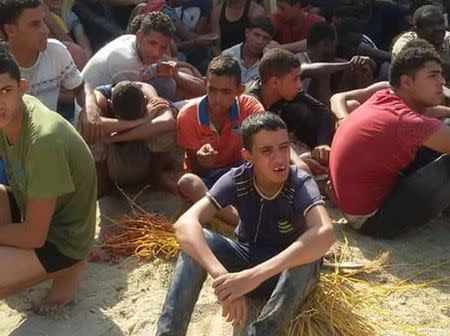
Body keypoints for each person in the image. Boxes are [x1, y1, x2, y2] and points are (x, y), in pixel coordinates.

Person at [156, 111, 335, 335]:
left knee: (307, 258)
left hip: (285, 273)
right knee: (196, 244)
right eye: (267, 151)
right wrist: (222, 277)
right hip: (245, 260)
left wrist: (254, 276)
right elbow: (185, 224)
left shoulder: (299, 183)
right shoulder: (238, 179)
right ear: (248, 156)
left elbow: (326, 233)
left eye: (284, 147)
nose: (279, 159)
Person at [0, 44, 96, 307]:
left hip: (64, 237)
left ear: (22, 87)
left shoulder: (43, 140)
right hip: (32, 204)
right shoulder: (12, 113)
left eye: (4, 91)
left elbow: (34, 235)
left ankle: (69, 266)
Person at [329, 39, 450, 238]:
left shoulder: (384, 95)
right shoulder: (407, 122)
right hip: (373, 220)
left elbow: (428, 111)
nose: (442, 82)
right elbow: (422, 118)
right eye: (433, 76)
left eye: (441, 75)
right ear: (407, 82)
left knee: (441, 127)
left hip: (359, 204)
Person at [176, 54, 264, 224]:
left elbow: (262, 147)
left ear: (239, 90)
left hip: (242, 171)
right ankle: (241, 223)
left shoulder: (251, 107)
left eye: (226, 92)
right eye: (212, 89)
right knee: (187, 182)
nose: (217, 98)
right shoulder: (188, 115)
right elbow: (196, 170)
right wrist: (202, 160)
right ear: (205, 84)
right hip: (208, 180)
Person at [82, 11, 205, 103]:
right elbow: (136, 106)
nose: (156, 53)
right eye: (152, 43)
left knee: (179, 78)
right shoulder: (126, 60)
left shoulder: (132, 41)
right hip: (91, 112)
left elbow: (199, 86)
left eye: (163, 47)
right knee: (172, 95)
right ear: (140, 36)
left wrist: (173, 73)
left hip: (113, 97)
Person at [246, 48, 332, 175]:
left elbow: (322, 111)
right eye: (295, 79)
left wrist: (322, 144)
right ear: (274, 82)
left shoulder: (286, 90)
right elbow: (268, 139)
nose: (300, 85)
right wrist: (299, 163)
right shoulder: (251, 102)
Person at [0, 0, 86, 121]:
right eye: (35, 24)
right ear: (10, 30)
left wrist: (89, 111)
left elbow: (81, 88)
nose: (46, 30)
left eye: (43, 21)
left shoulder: (55, 51)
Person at [92, 80, 177, 197]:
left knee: (165, 128)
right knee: (92, 133)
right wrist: (141, 121)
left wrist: (115, 138)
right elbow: (91, 123)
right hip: (113, 160)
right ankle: (103, 185)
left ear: (146, 100)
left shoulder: (147, 91)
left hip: (140, 149)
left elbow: (168, 122)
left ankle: (156, 176)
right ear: (110, 104)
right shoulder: (99, 98)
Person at [392, 5, 450, 79]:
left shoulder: (448, 39)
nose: (438, 28)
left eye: (441, 23)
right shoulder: (405, 44)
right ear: (416, 30)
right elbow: (411, 74)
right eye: (430, 25)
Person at [222, 15, 274, 84]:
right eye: (256, 35)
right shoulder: (228, 56)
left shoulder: (271, 62)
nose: (259, 41)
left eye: (265, 38)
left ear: (269, 41)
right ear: (247, 32)